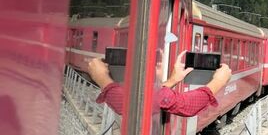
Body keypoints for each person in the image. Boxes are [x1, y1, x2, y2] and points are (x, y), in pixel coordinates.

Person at [87, 51, 232, 117]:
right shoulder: (150, 94)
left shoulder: (149, 92)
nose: (161, 64)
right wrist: (219, 81)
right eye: (158, 60)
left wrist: (171, 81)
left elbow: (156, 97)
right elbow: (187, 105)